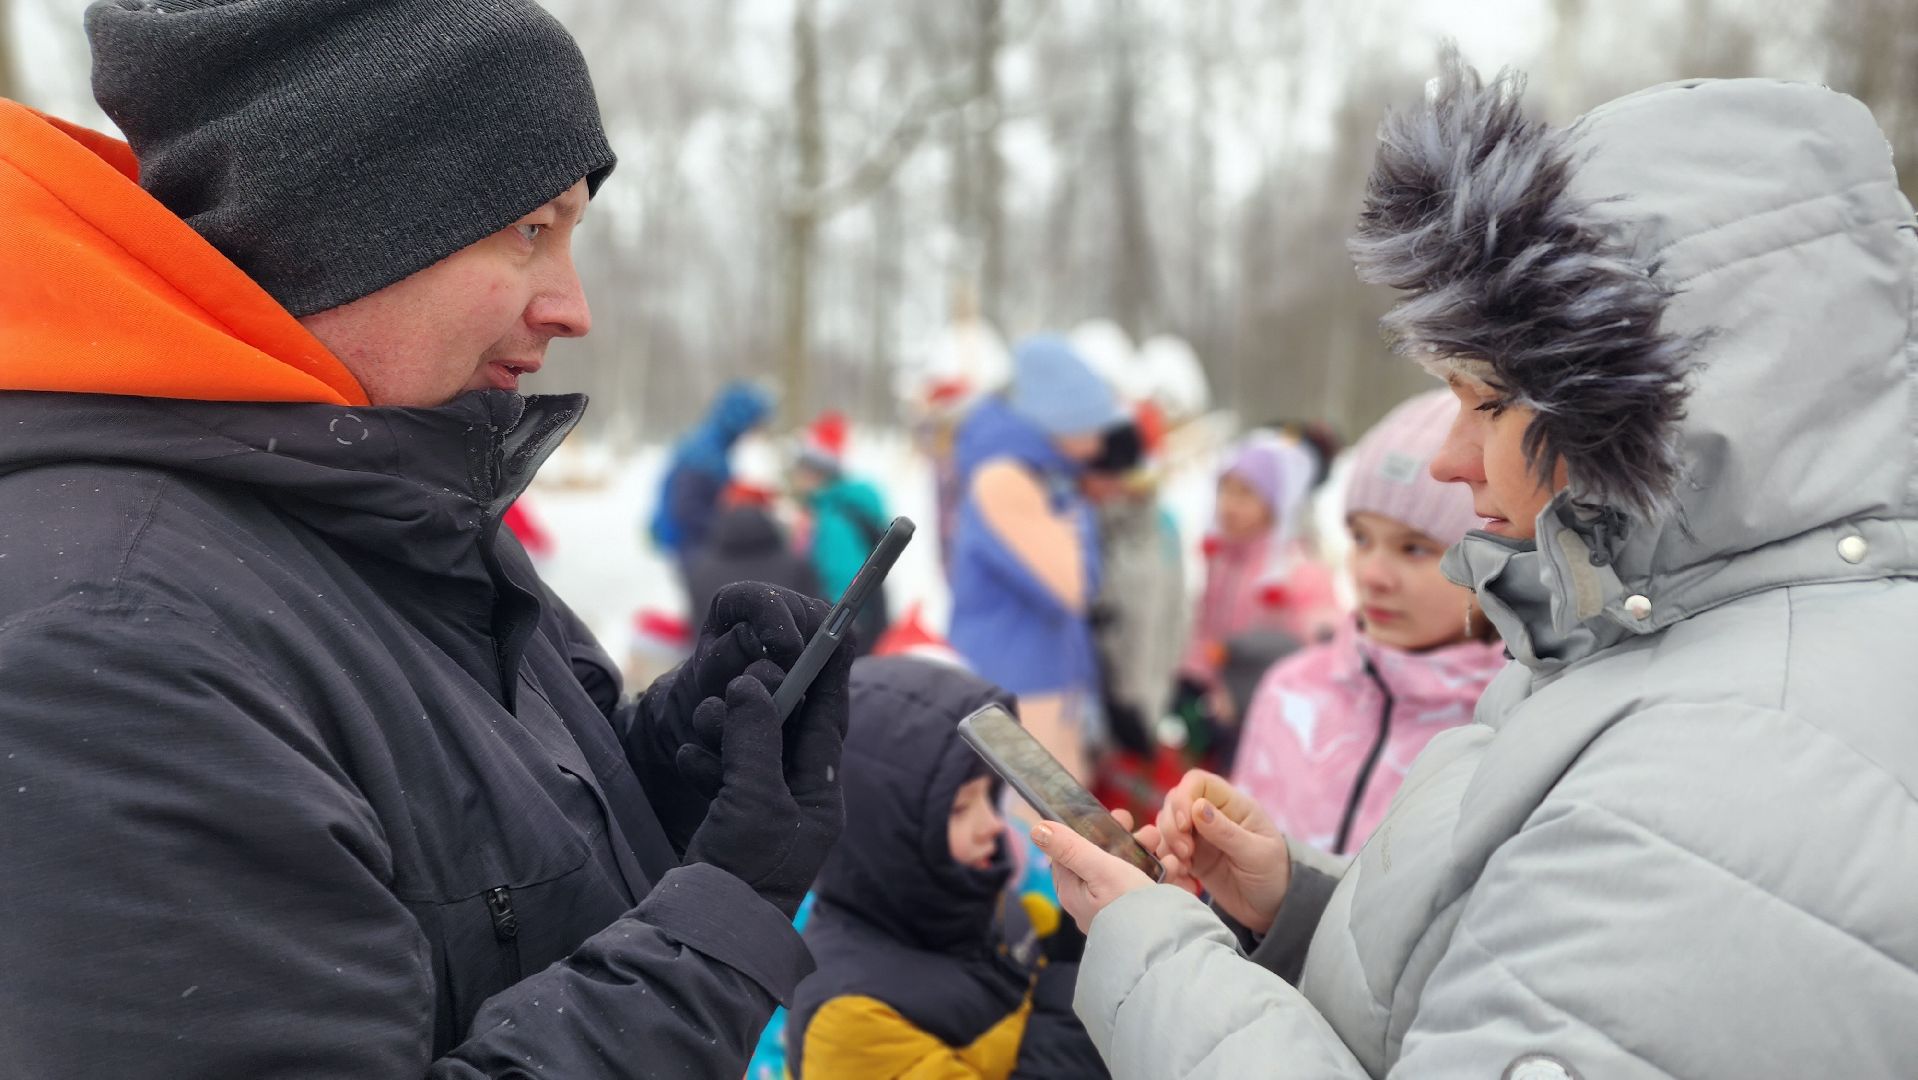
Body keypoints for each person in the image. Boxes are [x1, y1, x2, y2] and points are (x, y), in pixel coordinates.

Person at [0, 2, 851, 1075]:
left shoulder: (383, 496)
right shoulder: (109, 643)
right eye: (530, 231)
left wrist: (676, 775)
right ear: (344, 230)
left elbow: (468, 869)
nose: (573, 307)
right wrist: (722, 924)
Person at [1031, 56, 1918, 1078]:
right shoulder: (1659, 652)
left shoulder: (1722, 778)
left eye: (1488, 403)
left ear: (1659, 415)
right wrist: (1302, 909)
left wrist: (1156, 956)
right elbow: (1510, 989)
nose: (1448, 461)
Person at [788, 656, 1106, 1079]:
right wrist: (1103, 1004)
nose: (993, 823)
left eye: (988, 794)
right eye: (958, 808)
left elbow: (1059, 953)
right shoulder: (847, 1015)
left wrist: (1102, 918)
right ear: (881, 829)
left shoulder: (970, 895)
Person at [1231, 390, 1505, 855]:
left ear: (1494, 561)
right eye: (1361, 538)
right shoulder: (1291, 692)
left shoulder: (1508, 730)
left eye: (1415, 548)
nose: (1372, 575)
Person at [948, 335, 1124, 783]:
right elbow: (1071, 586)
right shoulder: (1006, 478)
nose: (1099, 444)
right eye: (1091, 425)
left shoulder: (1043, 475)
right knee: (1028, 841)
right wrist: (1076, 508)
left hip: (1040, 687)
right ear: (1058, 419)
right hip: (1015, 693)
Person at [1169, 433, 1340, 766]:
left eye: (1245, 493)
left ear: (1275, 504)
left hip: (1268, 725)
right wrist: (1192, 677)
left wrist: (1244, 694)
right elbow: (1208, 631)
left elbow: (1322, 652)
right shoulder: (1222, 560)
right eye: (1225, 489)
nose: (1229, 504)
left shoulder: (1297, 570)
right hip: (1215, 716)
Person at [792, 410, 893, 651]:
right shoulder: (836, 508)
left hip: (848, 635)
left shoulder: (835, 519)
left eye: (802, 469)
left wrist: (830, 639)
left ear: (816, 473)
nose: (796, 476)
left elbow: (844, 583)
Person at [648, 380, 776, 564]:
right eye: (754, 423)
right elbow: (687, 509)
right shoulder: (703, 452)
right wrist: (732, 526)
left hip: (694, 539)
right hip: (689, 542)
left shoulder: (716, 443)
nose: (754, 430)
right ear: (741, 419)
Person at [683, 486, 824, 625]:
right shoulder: (796, 566)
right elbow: (815, 613)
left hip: (717, 647)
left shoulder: (699, 569)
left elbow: (697, 621)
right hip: (792, 647)